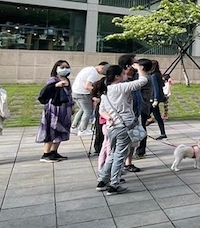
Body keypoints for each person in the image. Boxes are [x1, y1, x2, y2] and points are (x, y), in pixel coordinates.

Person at [96, 63, 148, 194]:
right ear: (117, 76)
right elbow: (143, 81)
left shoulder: (106, 91)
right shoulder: (119, 87)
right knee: (120, 156)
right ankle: (114, 184)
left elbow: (101, 110)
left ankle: (102, 180)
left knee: (113, 154)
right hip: (124, 127)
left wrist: (109, 117)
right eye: (123, 73)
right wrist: (140, 70)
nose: (126, 75)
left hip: (112, 127)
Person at [37, 60, 74, 162]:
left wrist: (72, 106)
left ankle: (54, 151)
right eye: (62, 67)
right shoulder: (53, 80)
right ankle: (46, 153)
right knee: (51, 130)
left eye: (67, 67)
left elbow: (69, 94)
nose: (65, 69)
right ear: (56, 69)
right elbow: (46, 91)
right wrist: (56, 85)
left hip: (65, 109)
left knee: (61, 130)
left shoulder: (67, 80)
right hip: (54, 109)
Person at [70, 60, 107, 135]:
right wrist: (95, 95)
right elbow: (87, 86)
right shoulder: (93, 73)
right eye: (104, 72)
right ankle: (82, 130)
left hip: (75, 92)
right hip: (82, 93)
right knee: (88, 111)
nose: (104, 74)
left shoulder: (88, 69)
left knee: (82, 109)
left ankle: (74, 127)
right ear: (102, 67)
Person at [147, 60, 167, 140]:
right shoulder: (157, 74)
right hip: (154, 99)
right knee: (157, 116)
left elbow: (155, 88)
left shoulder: (153, 76)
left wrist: (155, 99)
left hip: (152, 99)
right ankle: (163, 133)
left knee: (146, 115)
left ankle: (162, 133)